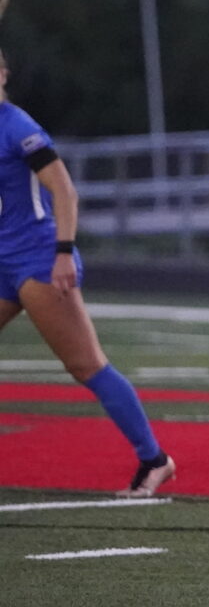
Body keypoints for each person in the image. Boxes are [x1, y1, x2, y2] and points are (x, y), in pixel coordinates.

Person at [0, 27, 175, 497]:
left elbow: (64, 190)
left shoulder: (19, 128)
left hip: (37, 259)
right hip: (2, 259)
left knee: (85, 365)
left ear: (2, 76)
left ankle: (154, 459)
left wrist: (62, 253)